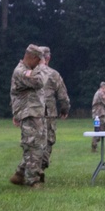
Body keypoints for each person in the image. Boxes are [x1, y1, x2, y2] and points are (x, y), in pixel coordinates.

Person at [9, 44, 48, 188]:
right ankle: (33, 181)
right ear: (31, 57)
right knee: (33, 147)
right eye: (38, 60)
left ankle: (20, 174)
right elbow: (39, 82)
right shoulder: (21, 71)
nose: (40, 63)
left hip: (35, 113)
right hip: (29, 113)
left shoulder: (29, 70)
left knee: (38, 145)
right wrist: (43, 67)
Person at [38, 46, 70, 175]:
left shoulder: (26, 73)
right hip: (48, 113)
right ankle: (39, 169)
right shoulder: (53, 74)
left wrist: (17, 113)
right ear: (48, 58)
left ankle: (30, 170)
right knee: (48, 141)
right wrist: (64, 109)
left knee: (31, 142)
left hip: (30, 113)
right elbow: (62, 95)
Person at [91, 80, 105, 153]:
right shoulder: (101, 93)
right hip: (101, 115)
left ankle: (94, 147)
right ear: (103, 87)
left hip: (96, 116)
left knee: (97, 131)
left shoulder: (97, 93)